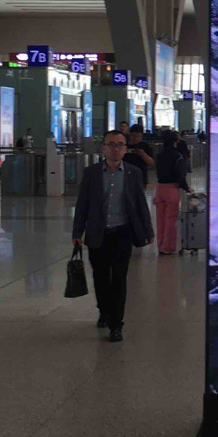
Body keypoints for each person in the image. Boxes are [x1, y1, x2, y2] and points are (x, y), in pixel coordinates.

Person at [72, 130, 154, 341]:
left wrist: (148, 230)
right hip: (97, 233)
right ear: (104, 148)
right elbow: (82, 205)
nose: (116, 149)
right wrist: (77, 232)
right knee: (100, 279)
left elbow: (140, 203)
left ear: (125, 149)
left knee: (119, 279)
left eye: (120, 145)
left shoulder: (133, 173)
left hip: (122, 234)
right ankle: (104, 311)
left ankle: (116, 324)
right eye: (111, 144)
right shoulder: (91, 173)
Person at [153, 130, 191, 255]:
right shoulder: (177, 156)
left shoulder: (159, 155)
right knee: (170, 219)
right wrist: (186, 188)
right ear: (176, 141)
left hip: (160, 188)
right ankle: (167, 247)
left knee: (160, 219)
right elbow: (180, 176)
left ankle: (160, 246)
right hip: (172, 189)